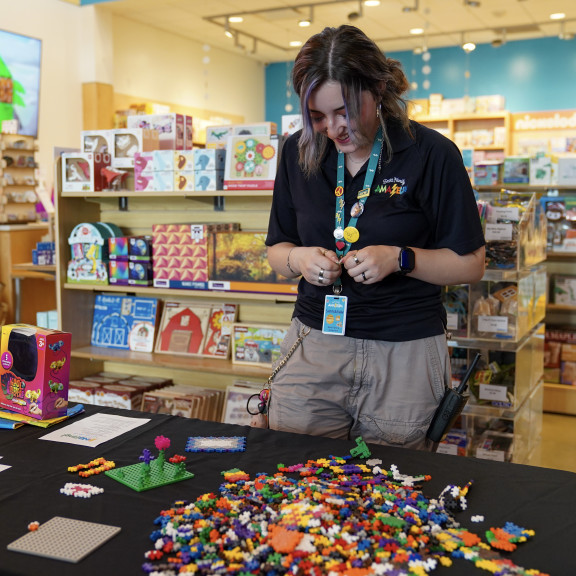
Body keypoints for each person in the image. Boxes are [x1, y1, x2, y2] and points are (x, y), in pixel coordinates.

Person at [264, 25, 486, 451]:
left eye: (345, 110)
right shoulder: (297, 153)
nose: (333, 128)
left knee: (392, 491)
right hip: (316, 344)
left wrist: (401, 258)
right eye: (317, 116)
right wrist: (300, 260)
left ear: (379, 89)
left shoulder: (432, 154)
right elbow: (277, 249)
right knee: (294, 476)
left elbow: (471, 263)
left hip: (404, 352)